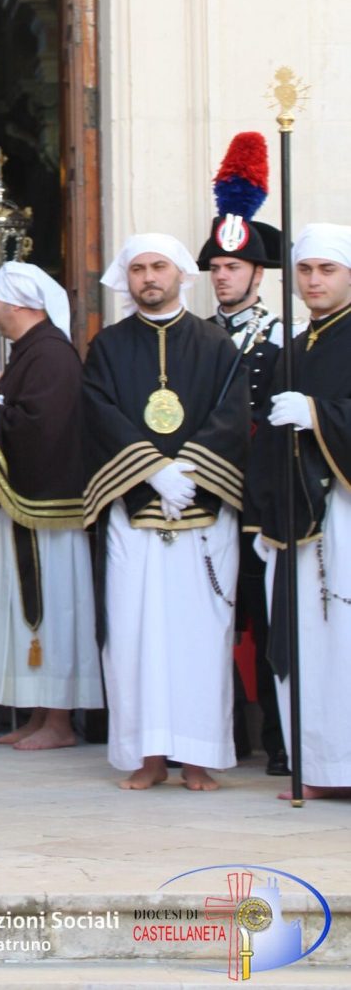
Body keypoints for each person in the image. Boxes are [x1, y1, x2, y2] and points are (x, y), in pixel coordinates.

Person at [82, 234, 249, 791]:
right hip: (135, 513)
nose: (148, 277)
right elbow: (99, 413)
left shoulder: (218, 344)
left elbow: (230, 415)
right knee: (134, 635)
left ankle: (198, 756)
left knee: (201, 636)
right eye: (137, 269)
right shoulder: (107, 346)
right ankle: (148, 754)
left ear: (181, 273)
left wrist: (189, 474)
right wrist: (154, 470)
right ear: (124, 279)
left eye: (158, 267)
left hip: (203, 514)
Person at [0, 262, 103, 748]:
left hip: (49, 510)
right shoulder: (30, 354)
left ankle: (59, 722)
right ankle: (40, 715)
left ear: (19, 304)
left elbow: (41, 425)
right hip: (26, 507)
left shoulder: (52, 357)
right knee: (24, 610)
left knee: (54, 608)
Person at [196, 131, 289, 777]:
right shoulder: (197, 338)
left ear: (258, 272)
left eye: (233, 267)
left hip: (261, 498)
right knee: (211, 623)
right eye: (217, 267)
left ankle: (282, 741)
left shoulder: (281, 336)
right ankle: (220, 735)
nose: (222, 275)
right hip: (209, 494)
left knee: (270, 621)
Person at [252, 222, 351, 800]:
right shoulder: (294, 346)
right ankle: (316, 767)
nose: (313, 281)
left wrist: (318, 413)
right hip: (295, 522)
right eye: (305, 270)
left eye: (327, 270)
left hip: (341, 516)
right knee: (310, 650)